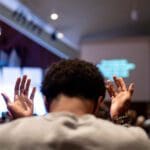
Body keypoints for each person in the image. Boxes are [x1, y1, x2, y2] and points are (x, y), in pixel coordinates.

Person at [0, 59, 149, 150]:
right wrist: (119, 116)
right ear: (98, 103)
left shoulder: (4, 137)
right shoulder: (135, 141)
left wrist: (23, 123)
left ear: (45, 101)